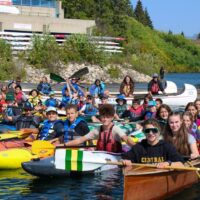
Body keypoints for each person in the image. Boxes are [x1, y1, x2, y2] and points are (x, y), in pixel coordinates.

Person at [57, 104, 135, 152]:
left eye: (107, 117)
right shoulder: (97, 130)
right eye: (103, 117)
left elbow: (126, 139)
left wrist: (137, 148)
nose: (105, 119)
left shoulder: (115, 129)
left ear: (112, 118)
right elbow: (80, 140)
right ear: (100, 117)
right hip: (100, 156)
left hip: (114, 156)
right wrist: (64, 145)